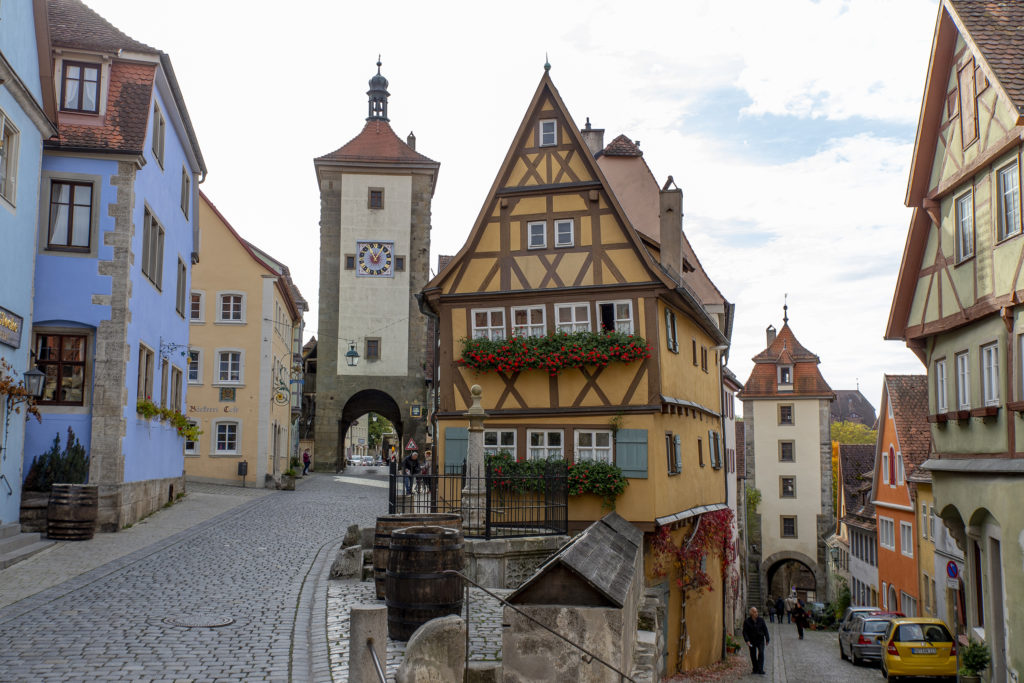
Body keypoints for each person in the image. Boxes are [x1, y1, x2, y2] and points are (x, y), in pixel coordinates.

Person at [742, 606, 770, 675]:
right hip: (752, 640)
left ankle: (760, 669)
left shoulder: (761, 620)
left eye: (757, 611)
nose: (756, 613)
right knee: (753, 655)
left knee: (761, 653)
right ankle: (755, 668)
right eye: (754, 612)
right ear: (751, 613)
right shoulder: (747, 622)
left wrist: (767, 638)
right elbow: (745, 632)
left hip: (760, 639)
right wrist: (747, 640)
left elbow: (765, 629)